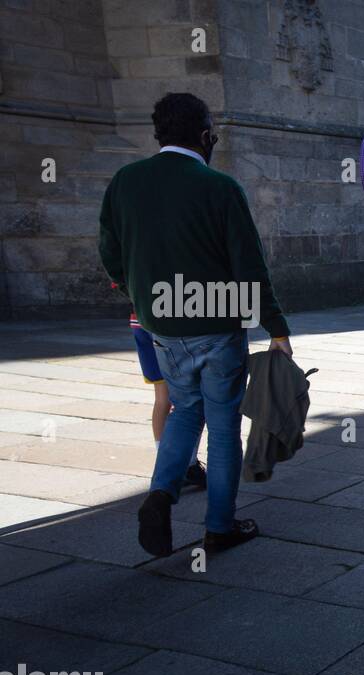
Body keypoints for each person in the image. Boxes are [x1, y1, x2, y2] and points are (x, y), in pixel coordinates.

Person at [99, 92, 291, 558]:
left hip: (160, 325)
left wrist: (136, 289)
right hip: (217, 323)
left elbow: (111, 251)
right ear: (206, 137)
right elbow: (250, 267)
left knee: (185, 410)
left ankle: (162, 493)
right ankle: (218, 527)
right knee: (223, 428)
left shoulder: (125, 181)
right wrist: (277, 328)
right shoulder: (221, 188)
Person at [127, 306, 206, 491]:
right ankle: (189, 464)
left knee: (163, 397)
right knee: (192, 400)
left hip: (142, 318)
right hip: (170, 320)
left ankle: (165, 463)